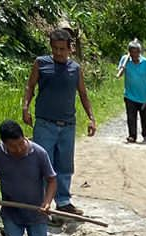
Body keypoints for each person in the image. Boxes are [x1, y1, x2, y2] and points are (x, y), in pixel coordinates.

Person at [21, 28, 95, 214]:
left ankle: (63, 202)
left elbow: (83, 94)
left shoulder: (75, 69)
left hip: (68, 125)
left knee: (64, 165)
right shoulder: (41, 63)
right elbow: (30, 86)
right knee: (43, 163)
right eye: (55, 49)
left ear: (70, 48)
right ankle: (42, 203)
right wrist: (25, 108)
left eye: (62, 49)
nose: (58, 53)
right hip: (45, 123)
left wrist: (91, 118)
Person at [115, 38, 146, 143]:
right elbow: (119, 74)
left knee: (145, 117)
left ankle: (145, 135)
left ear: (140, 52)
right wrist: (124, 66)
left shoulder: (145, 62)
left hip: (144, 96)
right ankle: (132, 136)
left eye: (137, 52)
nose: (135, 55)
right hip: (130, 95)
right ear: (129, 52)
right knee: (131, 117)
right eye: (132, 52)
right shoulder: (125, 60)